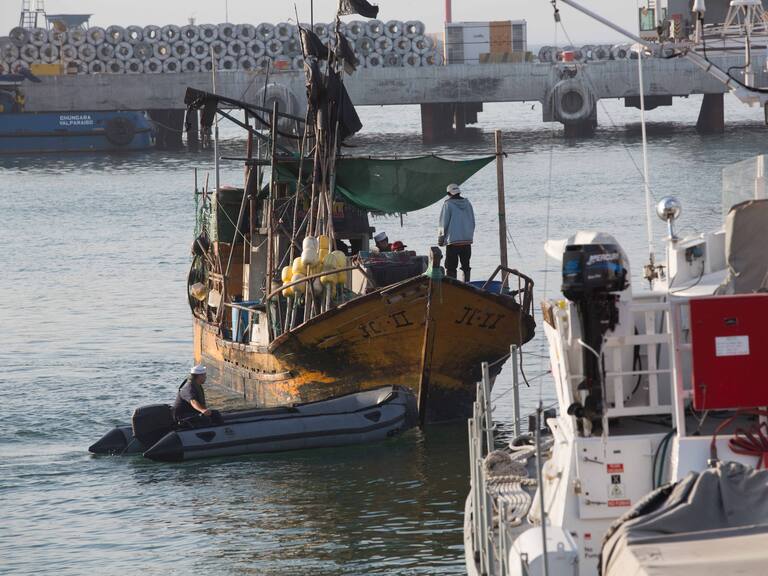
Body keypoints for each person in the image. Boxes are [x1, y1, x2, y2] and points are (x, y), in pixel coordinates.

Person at [438, 183, 475, 282]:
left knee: (450, 267)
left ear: (448, 193)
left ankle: (452, 287)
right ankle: (467, 285)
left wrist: (441, 238)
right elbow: (473, 221)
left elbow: (443, 223)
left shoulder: (448, 204)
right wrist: (469, 235)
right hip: (467, 241)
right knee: (466, 266)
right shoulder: (468, 203)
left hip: (453, 242)